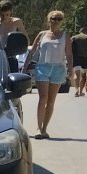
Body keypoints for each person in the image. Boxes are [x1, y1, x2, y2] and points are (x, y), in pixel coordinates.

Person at [24, 10, 71, 138]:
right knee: (43, 97)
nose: (56, 21)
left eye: (59, 19)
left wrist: (71, 71)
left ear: (62, 21)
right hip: (43, 67)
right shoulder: (42, 35)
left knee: (51, 100)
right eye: (54, 18)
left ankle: (45, 128)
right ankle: (39, 128)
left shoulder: (65, 36)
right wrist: (25, 67)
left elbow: (69, 55)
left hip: (58, 68)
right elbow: (32, 51)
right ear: (49, 20)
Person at [69, 23, 87, 96]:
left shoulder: (74, 37)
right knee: (83, 75)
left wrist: (69, 59)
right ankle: (81, 92)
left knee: (76, 74)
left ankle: (76, 90)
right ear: (86, 32)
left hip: (76, 58)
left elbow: (69, 48)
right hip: (86, 58)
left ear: (79, 31)